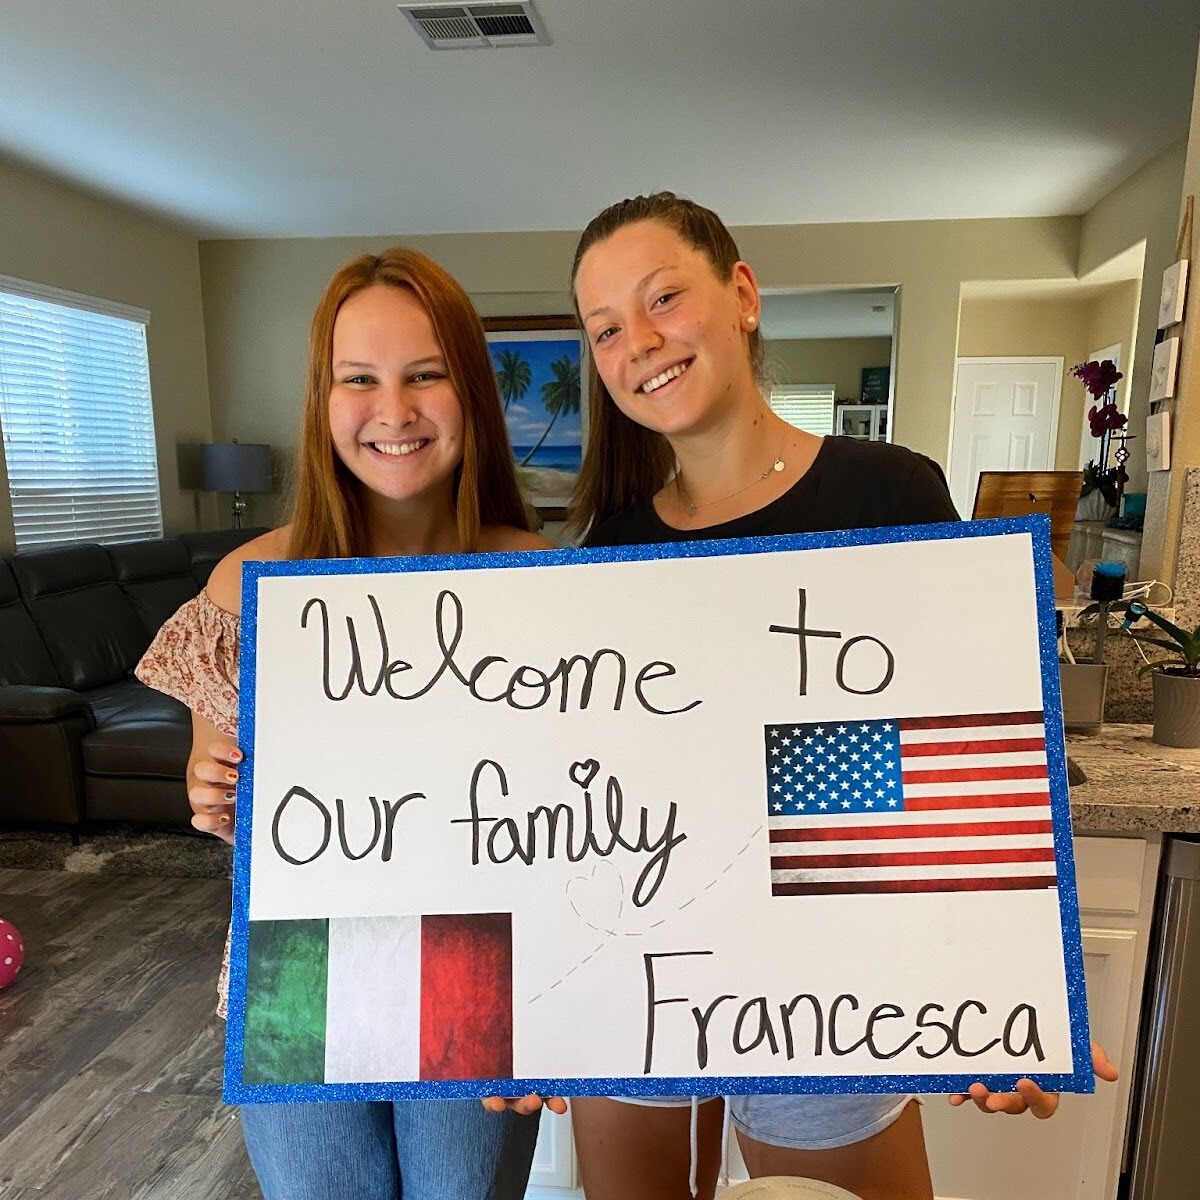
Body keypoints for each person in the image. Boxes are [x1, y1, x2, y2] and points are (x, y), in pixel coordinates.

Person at [484, 192, 1117, 1200]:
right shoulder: (609, 548)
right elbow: (582, 805)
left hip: (830, 981)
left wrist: (1003, 997)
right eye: (605, 330)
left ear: (741, 296)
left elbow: (962, 762)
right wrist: (535, 1004)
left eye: (662, 299)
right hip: (645, 979)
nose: (638, 342)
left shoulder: (893, 496)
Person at [137, 247, 550, 1200]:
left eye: (426, 375)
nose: (393, 410)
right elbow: (223, 789)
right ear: (323, 402)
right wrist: (211, 788)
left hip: (479, 963)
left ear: (471, 396)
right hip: (300, 970)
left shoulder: (540, 578)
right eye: (358, 379)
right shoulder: (245, 587)